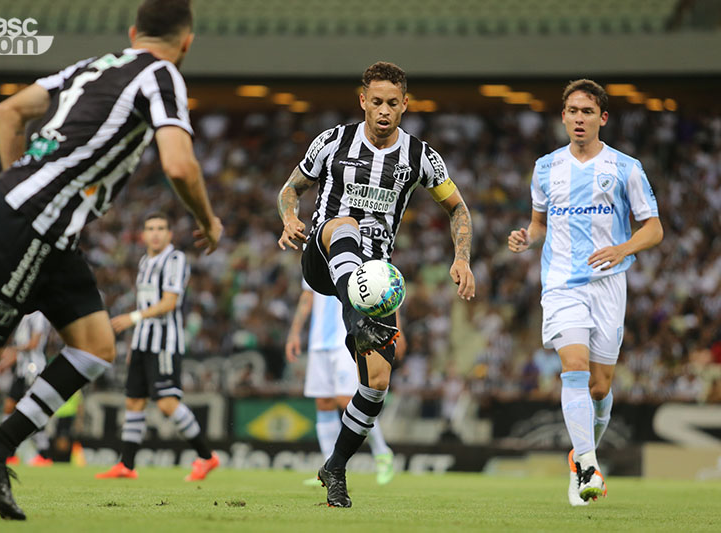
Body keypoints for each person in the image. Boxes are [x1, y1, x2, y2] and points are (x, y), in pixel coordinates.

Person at [0, 0, 222, 520]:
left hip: (45, 225)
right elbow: (178, 161)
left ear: (133, 32)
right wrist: (207, 219)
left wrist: (20, 178)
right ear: (187, 41)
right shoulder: (162, 74)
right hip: (31, 222)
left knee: (95, 345)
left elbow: (8, 110)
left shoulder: (94, 66)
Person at [277, 61, 475, 507]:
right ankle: (356, 300)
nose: (384, 111)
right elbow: (291, 189)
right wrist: (290, 217)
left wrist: (461, 258)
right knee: (344, 221)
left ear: (405, 104)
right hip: (325, 254)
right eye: (376, 102)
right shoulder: (333, 141)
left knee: (377, 383)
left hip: (375, 276)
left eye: (393, 103)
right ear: (362, 100)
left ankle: (336, 468)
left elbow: (458, 209)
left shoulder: (421, 156)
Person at [507, 79, 662, 506]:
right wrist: (527, 237)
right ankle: (589, 469)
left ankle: (580, 453)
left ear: (602, 118)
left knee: (599, 387)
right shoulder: (545, 168)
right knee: (573, 367)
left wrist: (623, 248)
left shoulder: (625, 168)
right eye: (573, 111)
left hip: (609, 284)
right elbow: (539, 223)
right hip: (560, 283)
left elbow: (654, 229)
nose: (579, 118)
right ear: (563, 117)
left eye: (587, 112)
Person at [96, 212, 218, 481]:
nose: (155, 233)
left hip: (165, 342)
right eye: (150, 228)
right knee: (134, 401)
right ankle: (126, 465)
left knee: (166, 403)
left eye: (161, 228)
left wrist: (132, 318)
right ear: (143, 234)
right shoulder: (144, 261)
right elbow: (146, 303)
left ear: (169, 234)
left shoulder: (175, 259)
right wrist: (134, 343)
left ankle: (207, 457)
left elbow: (169, 302)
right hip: (142, 342)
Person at [286, 283, 405, 486]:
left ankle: (382, 453)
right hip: (319, 340)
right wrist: (294, 332)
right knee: (323, 402)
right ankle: (328, 468)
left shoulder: (354, 252)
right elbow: (307, 297)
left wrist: (396, 327)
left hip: (347, 336)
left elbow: (383, 287)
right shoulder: (315, 253)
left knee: (347, 400)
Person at [0, 311, 53, 466]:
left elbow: (34, 343)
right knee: (9, 407)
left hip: (34, 370)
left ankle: (43, 453)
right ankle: (9, 452)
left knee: (34, 409)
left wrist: (12, 350)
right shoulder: (22, 317)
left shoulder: (39, 316)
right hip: (22, 370)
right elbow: (22, 349)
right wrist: (7, 362)